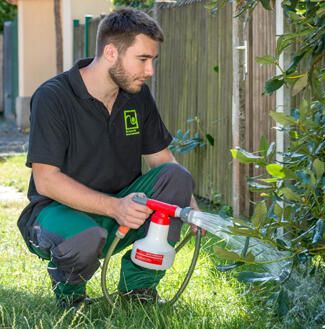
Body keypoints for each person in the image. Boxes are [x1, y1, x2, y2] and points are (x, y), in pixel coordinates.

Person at [16, 7, 205, 308]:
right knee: (86, 236)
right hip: (58, 213)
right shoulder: (54, 97)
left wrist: (190, 207)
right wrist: (115, 207)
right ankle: (71, 297)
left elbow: (162, 161)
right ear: (111, 53)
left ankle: (138, 291)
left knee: (177, 176)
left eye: (152, 60)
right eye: (142, 59)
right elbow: (46, 181)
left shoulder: (137, 96)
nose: (150, 71)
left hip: (124, 208)